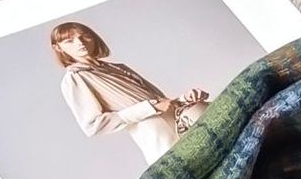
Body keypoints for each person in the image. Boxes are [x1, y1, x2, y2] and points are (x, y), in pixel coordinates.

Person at [49, 21, 209, 166]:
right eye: (69, 41)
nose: (80, 43)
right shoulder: (75, 78)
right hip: (160, 140)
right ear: (58, 47)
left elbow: (159, 102)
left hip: (182, 123)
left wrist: (184, 99)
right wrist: (150, 108)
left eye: (85, 36)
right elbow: (93, 125)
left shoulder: (119, 67)